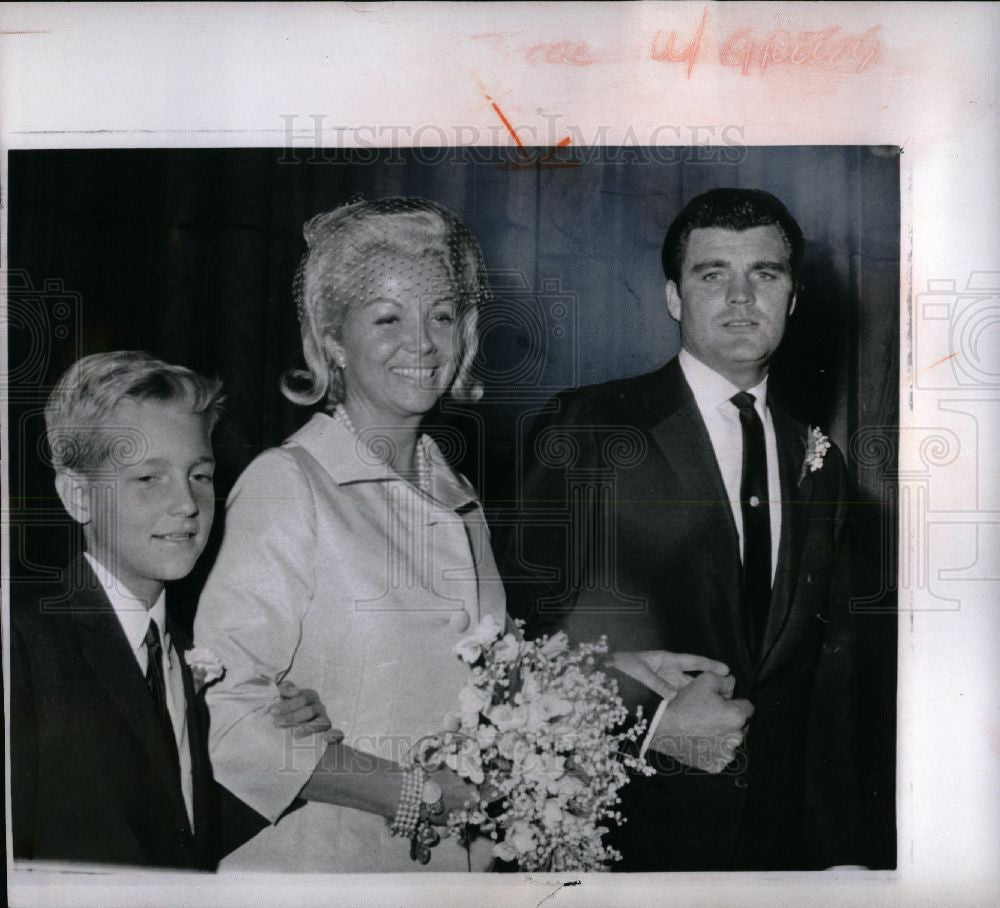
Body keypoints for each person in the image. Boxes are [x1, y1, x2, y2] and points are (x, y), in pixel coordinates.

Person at [499, 188, 860, 871]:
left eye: (766, 274)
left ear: (793, 297)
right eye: (712, 273)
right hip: (629, 837)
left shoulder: (824, 465)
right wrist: (649, 724)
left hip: (777, 852)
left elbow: (828, 692)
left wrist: (843, 857)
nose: (740, 297)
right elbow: (515, 643)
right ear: (673, 297)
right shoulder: (591, 430)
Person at [193, 198, 510, 872]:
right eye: (388, 318)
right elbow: (230, 718)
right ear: (333, 338)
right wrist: (413, 795)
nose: (422, 343)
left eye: (442, 316)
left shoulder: (463, 501)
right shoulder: (289, 483)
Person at [10, 351, 332, 870]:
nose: (186, 502)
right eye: (148, 479)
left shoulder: (186, 650)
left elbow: (181, 830)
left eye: (199, 475)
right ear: (77, 495)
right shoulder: (24, 644)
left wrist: (288, 739)